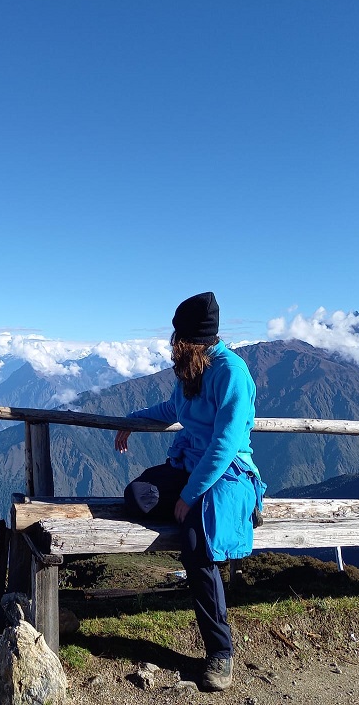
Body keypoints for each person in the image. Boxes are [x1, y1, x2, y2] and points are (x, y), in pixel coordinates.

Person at [114, 291, 265, 692]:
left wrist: (189, 497)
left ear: (194, 340)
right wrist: (133, 418)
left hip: (225, 473)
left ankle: (220, 653)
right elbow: (172, 409)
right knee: (137, 494)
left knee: (197, 544)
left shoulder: (231, 373)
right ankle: (205, 513)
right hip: (188, 467)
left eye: (177, 339)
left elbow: (225, 443)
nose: (172, 347)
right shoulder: (192, 370)